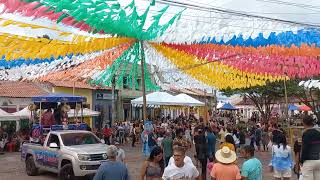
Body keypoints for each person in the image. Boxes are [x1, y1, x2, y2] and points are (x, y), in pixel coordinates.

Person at [300, 115, 320, 180]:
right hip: (318, 161)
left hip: (308, 162)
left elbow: (305, 148)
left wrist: (301, 161)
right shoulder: (318, 133)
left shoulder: (306, 134)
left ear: (304, 123)